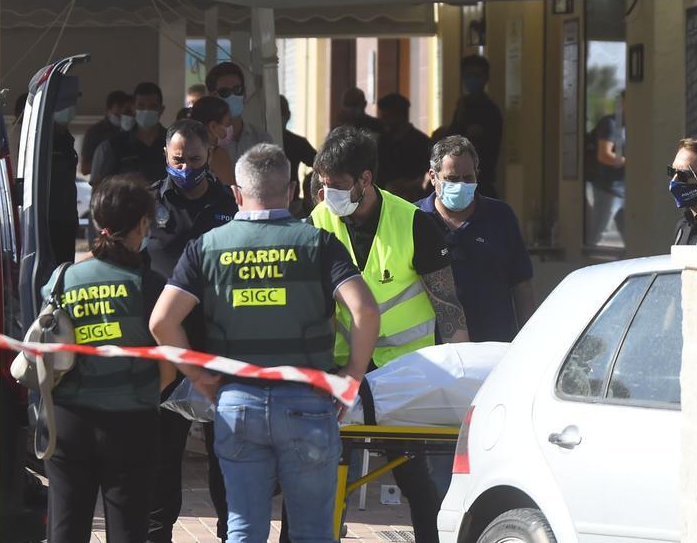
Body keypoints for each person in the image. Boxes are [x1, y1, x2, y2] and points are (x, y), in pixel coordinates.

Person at [149, 144, 381, 543]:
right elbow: (366, 311)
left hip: (237, 402)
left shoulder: (206, 247)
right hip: (309, 402)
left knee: (243, 528)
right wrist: (351, 377)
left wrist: (202, 380)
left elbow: (161, 322)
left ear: (237, 194)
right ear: (291, 191)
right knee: (312, 531)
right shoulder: (319, 244)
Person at [310, 126, 469, 543]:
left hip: (405, 377)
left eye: (338, 186)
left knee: (419, 483)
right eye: (324, 186)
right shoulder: (319, 220)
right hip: (343, 371)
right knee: (325, 479)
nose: (329, 195)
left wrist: (464, 382)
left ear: (366, 179)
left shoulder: (415, 223)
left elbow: (449, 309)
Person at [42, 175, 177, 543]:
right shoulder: (149, 287)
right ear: (143, 225)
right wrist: (145, 391)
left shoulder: (62, 279)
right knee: (129, 531)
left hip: (68, 423)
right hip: (130, 423)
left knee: (65, 530)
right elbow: (169, 362)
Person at [144, 119, 237, 543]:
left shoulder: (231, 203)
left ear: (211, 153)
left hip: (219, 344)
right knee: (162, 456)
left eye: (195, 160)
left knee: (228, 453)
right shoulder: (148, 203)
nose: (186, 167)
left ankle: (230, 532)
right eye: (178, 159)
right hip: (164, 347)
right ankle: (157, 532)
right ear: (166, 155)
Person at [417, 135, 535, 343]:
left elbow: (521, 285)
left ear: (477, 175)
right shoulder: (415, 218)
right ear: (433, 176)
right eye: (452, 179)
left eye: (468, 178)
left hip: (494, 345)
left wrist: (529, 340)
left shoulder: (500, 216)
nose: (461, 185)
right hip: (433, 349)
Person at [91, 82, 167, 187]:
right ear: (134, 108)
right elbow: (98, 188)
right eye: (141, 106)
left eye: (152, 106)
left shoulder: (172, 142)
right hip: (127, 202)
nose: (146, 111)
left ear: (161, 110)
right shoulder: (114, 146)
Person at [447, 56, 502, 198]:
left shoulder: (490, 110)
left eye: (477, 75)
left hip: (480, 181)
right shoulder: (462, 106)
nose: (473, 79)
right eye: (469, 75)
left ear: (486, 78)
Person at [206, 62, 272, 167]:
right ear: (213, 97)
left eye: (237, 89)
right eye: (225, 92)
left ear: (244, 93)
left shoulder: (261, 139)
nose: (233, 96)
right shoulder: (204, 141)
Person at [586, 92, 626, 247]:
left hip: (625, 189)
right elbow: (604, 155)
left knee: (632, 239)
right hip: (608, 188)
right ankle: (588, 268)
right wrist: (632, 163)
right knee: (598, 235)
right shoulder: (610, 123)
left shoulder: (630, 125)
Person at [375, 93, 431, 202]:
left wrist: (408, 185)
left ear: (399, 116)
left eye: (386, 118)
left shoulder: (421, 142)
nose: (382, 122)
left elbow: (426, 173)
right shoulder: (381, 142)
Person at [50, 81, 81, 264]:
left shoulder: (66, 139)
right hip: (48, 221)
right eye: (66, 104)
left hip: (66, 219)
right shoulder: (43, 139)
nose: (70, 109)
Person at [80, 90, 134, 177]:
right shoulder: (95, 132)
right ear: (109, 109)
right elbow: (85, 169)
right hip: (105, 184)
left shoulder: (135, 130)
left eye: (127, 110)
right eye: (119, 107)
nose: (122, 113)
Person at [186, 95, 238, 186]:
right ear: (213, 126)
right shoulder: (217, 155)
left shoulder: (183, 153)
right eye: (228, 123)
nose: (231, 127)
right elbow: (231, 194)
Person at [280, 95, 316, 213]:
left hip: (292, 205)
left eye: (281, 115)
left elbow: (322, 166)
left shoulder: (297, 143)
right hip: (267, 203)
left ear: (287, 116)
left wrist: (308, 186)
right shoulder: (260, 139)